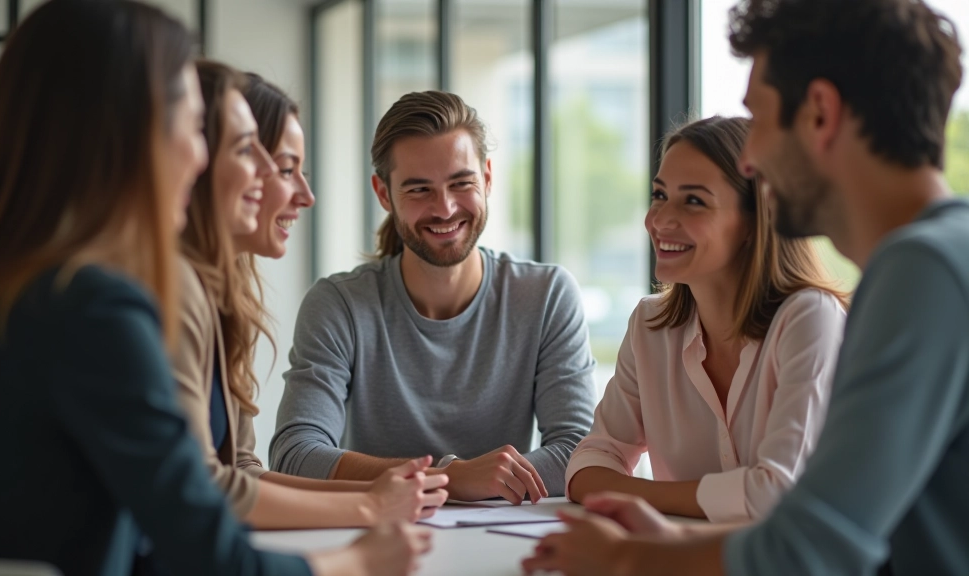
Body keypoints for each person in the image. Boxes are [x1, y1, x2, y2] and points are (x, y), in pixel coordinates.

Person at [0, 2, 430, 575]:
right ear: (128, 132)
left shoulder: (4, 282)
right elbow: (202, 544)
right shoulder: (96, 306)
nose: (199, 155)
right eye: (192, 127)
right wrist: (356, 563)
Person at [521, 0, 968, 574]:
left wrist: (629, 557)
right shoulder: (935, 261)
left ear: (820, 114)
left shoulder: (922, 272)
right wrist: (669, 542)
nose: (752, 159)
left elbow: (813, 544)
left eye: (758, 119)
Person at [270, 90, 597, 503]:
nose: (444, 209)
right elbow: (295, 454)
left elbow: (582, 454)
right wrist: (450, 477)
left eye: (461, 183)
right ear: (384, 194)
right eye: (419, 189)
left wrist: (456, 480)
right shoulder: (340, 304)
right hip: (382, 541)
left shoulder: (546, 296)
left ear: (489, 178)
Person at [172, 60, 447, 530]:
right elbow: (204, 485)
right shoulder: (172, 290)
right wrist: (372, 505)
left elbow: (241, 470)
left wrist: (387, 492)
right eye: (285, 169)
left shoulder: (222, 296)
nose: (305, 194)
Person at [565, 116, 847, 522]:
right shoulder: (650, 325)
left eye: (693, 201)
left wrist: (640, 500)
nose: (660, 220)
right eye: (659, 194)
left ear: (754, 221)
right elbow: (589, 461)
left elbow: (776, 494)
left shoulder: (809, 319)